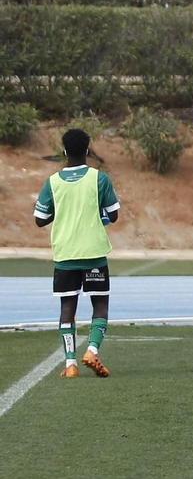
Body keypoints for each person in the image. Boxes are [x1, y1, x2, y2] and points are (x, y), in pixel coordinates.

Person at [33, 128, 120, 378]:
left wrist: (61, 212)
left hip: (65, 253)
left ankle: (70, 363)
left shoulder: (53, 182)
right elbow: (113, 215)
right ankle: (92, 350)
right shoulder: (99, 179)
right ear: (87, 151)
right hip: (93, 252)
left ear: (64, 152)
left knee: (67, 306)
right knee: (100, 304)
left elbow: (40, 219)